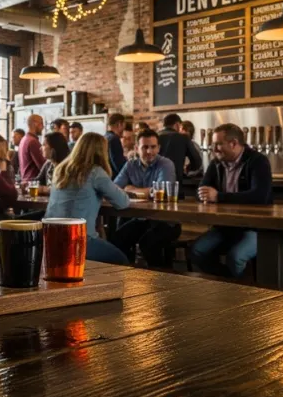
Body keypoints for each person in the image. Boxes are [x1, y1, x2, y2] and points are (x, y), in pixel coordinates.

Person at [190, 124, 273, 278]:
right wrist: (203, 194)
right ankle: (226, 283)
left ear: (233, 143)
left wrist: (218, 197)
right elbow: (201, 190)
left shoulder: (258, 161)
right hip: (225, 227)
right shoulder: (216, 163)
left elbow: (259, 196)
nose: (214, 149)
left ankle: (243, 290)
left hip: (254, 228)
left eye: (218, 144)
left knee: (235, 258)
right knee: (197, 251)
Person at [44, 132, 129, 265]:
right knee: (122, 261)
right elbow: (122, 202)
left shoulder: (61, 169)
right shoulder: (95, 172)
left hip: (49, 237)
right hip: (77, 241)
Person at [111, 129, 181, 267]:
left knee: (148, 244)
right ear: (137, 148)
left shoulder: (166, 164)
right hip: (141, 219)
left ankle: (162, 277)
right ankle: (126, 274)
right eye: (145, 147)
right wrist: (147, 191)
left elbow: (160, 192)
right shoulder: (130, 165)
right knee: (117, 240)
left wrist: (130, 189)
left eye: (153, 147)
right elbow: (114, 188)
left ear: (159, 148)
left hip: (166, 221)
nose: (149, 151)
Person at [158, 113, 202, 191]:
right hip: (175, 184)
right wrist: (187, 169)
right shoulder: (183, 138)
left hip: (155, 185)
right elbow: (197, 162)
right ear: (177, 124)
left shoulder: (155, 137)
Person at [19, 114, 46, 180]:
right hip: (33, 182)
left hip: (26, 180)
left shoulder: (24, 139)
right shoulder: (33, 141)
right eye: (41, 123)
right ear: (35, 124)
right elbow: (43, 166)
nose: (43, 127)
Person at [105, 113, 127, 180]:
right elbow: (119, 165)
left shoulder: (105, 137)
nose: (123, 130)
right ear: (119, 124)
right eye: (124, 126)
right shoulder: (114, 139)